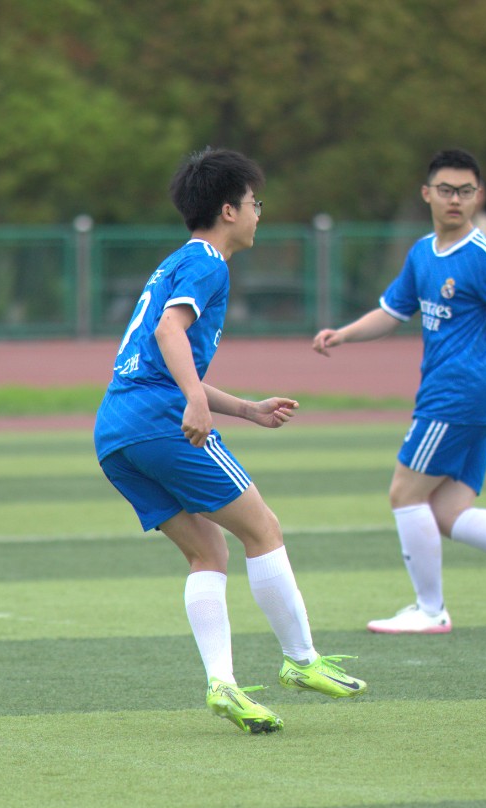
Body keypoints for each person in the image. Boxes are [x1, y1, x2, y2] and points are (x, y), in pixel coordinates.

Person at [93, 148, 366, 735]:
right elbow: (169, 331)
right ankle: (301, 660)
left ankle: (223, 684)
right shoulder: (209, 263)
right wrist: (194, 401)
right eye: (253, 202)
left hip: (115, 430)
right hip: (160, 421)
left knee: (207, 553)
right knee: (262, 529)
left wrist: (243, 408)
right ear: (228, 210)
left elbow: (161, 359)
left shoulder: (174, 263)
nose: (258, 213)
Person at [312, 148, 486, 635]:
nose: (456, 199)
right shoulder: (422, 253)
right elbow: (392, 312)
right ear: (427, 194)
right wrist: (344, 334)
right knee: (448, 513)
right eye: (447, 190)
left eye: (466, 191)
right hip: (471, 398)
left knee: (404, 493)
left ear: (479, 196)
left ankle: (431, 611)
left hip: (456, 393)